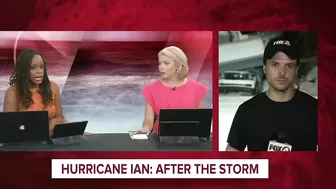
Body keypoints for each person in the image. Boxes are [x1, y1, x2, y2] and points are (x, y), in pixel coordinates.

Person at [226, 36, 317, 151]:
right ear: (264, 68)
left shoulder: (315, 110)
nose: (282, 73)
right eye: (275, 65)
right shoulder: (247, 111)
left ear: (296, 69)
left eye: (289, 66)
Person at [3, 49, 92, 136]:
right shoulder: (13, 93)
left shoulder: (53, 87)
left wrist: (74, 132)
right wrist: (46, 128)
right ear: (23, 70)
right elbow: (9, 129)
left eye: (42, 67)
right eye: (33, 68)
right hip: (27, 143)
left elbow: (60, 118)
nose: (39, 71)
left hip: (52, 142)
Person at [131, 46, 209, 135]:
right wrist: (145, 129)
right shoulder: (151, 89)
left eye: (166, 63)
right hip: (160, 140)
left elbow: (202, 120)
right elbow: (149, 120)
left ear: (178, 66)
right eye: (160, 63)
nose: (161, 67)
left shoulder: (197, 89)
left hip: (189, 140)